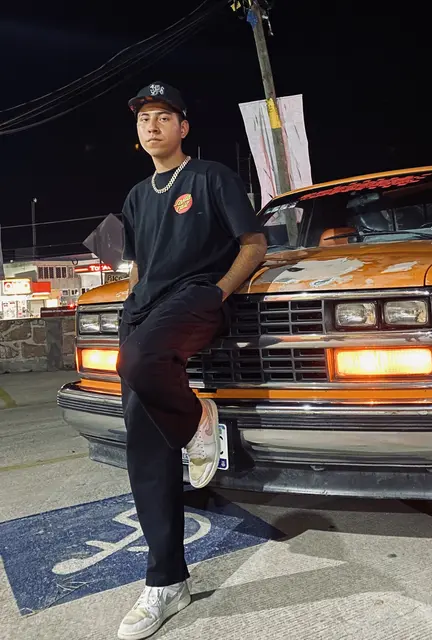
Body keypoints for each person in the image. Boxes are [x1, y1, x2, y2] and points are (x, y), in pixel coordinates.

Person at [116, 81, 267, 640]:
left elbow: (254, 244)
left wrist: (219, 292)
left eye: (163, 116)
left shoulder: (211, 177)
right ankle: (166, 581)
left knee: (137, 360)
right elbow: (139, 264)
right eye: (143, 119)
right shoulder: (136, 195)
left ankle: (198, 417)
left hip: (196, 298)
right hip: (146, 309)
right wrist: (132, 300)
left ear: (183, 127)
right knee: (143, 446)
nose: (152, 126)